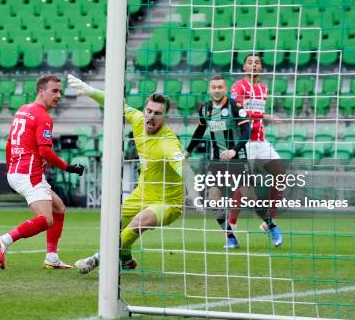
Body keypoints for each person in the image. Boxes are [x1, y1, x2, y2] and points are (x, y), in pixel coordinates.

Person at [68, 75, 186, 274]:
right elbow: (117, 104)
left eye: (157, 113)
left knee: (139, 221)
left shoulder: (168, 142)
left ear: (165, 117)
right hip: (143, 193)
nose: (151, 116)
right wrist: (90, 91)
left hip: (168, 202)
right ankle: (126, 260)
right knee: (113, 222)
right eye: (149, 111)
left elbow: (182, 166)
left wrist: (196, 187)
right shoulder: (139, 120)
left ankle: (99, 258)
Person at [0, 75, 85, 270]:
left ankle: (52, 257)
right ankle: (4, 240)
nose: (59, 95)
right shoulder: (43, 117)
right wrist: (68, 167)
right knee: (46, 220)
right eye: (54, 91)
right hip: (29, 173)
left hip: (18, 171)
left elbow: (9, 145)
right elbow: (45, 152)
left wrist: (11, 168)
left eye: (60, 91)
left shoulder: (22, 110)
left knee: (58, 208)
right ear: (41, 91)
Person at [184, 75, 251, 249]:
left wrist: (234, 150)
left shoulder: (235, 106)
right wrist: (188, 150)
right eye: (213, 87)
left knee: (249, 195)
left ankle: (270, 226)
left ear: (225, 89)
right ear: (209, 90)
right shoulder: (205, 109)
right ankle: (230, 237)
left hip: (238, 158)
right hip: (217, 160)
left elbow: (246, 131)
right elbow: (199, 131)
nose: (216, 90)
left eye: (220, 87)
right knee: (213, 197)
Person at [228, 55, 284, 248]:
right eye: (250, 62)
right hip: (245, 142)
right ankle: (231, 229)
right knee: (244, 187)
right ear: (244, 66)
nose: (254, 64)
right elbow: (238, 112)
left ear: (261, 67)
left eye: (258, 62)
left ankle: (267, 223)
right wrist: (265, 115)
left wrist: (262, 117)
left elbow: (257, 117)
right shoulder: (238, 87)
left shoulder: (263, 89)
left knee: (281, 175)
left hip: (261, 141)